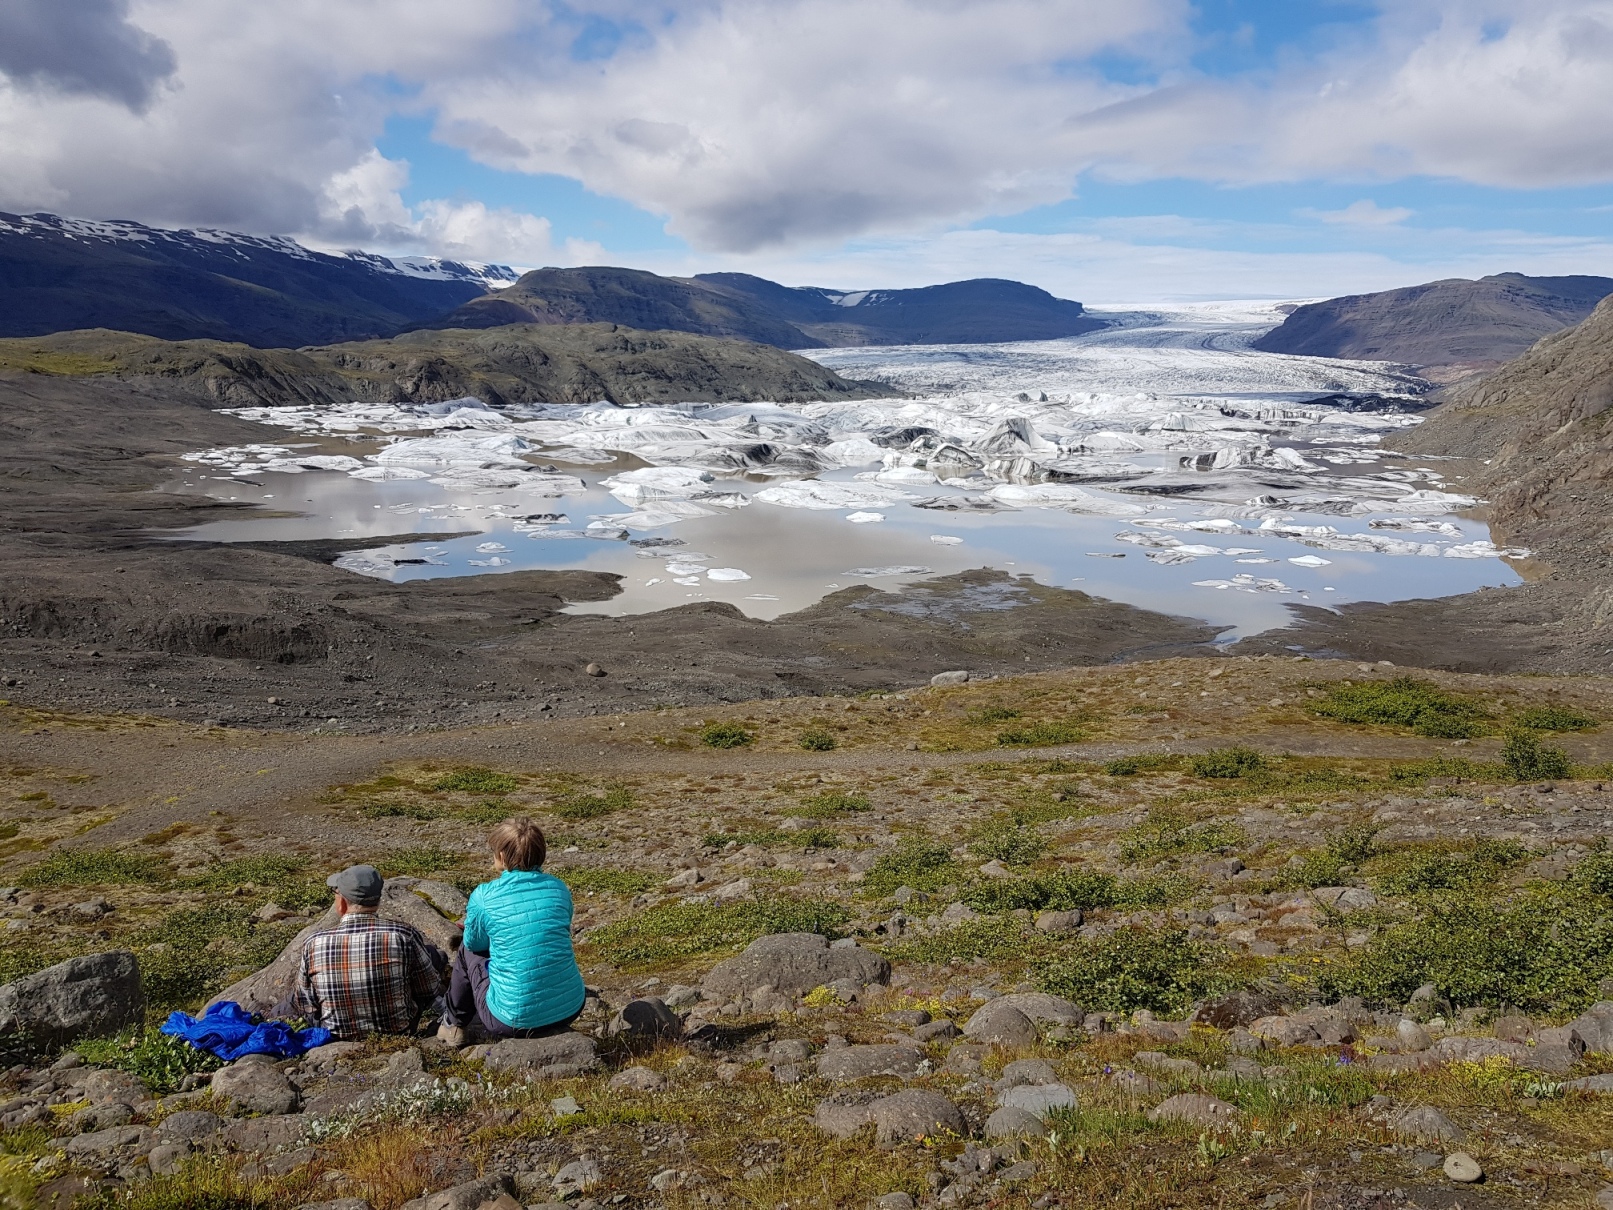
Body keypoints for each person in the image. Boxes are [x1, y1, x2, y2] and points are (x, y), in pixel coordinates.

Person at [437, 817, 586, 1045]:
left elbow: (476, 944)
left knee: (467, 949)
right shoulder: (559, 888)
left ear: (503, 856)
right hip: (571, 1007)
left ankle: (453, 1023)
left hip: (510, 1019)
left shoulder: (484, 896)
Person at [287, 864, 443, 1040]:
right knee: (434, 956)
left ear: (342, 903)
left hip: (336, 1035)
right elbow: (430, 989)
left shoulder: (313, 942)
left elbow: (305, 1003)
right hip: (398, 1032)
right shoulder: (404, 935)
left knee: (290, 1000)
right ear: (377, 900)